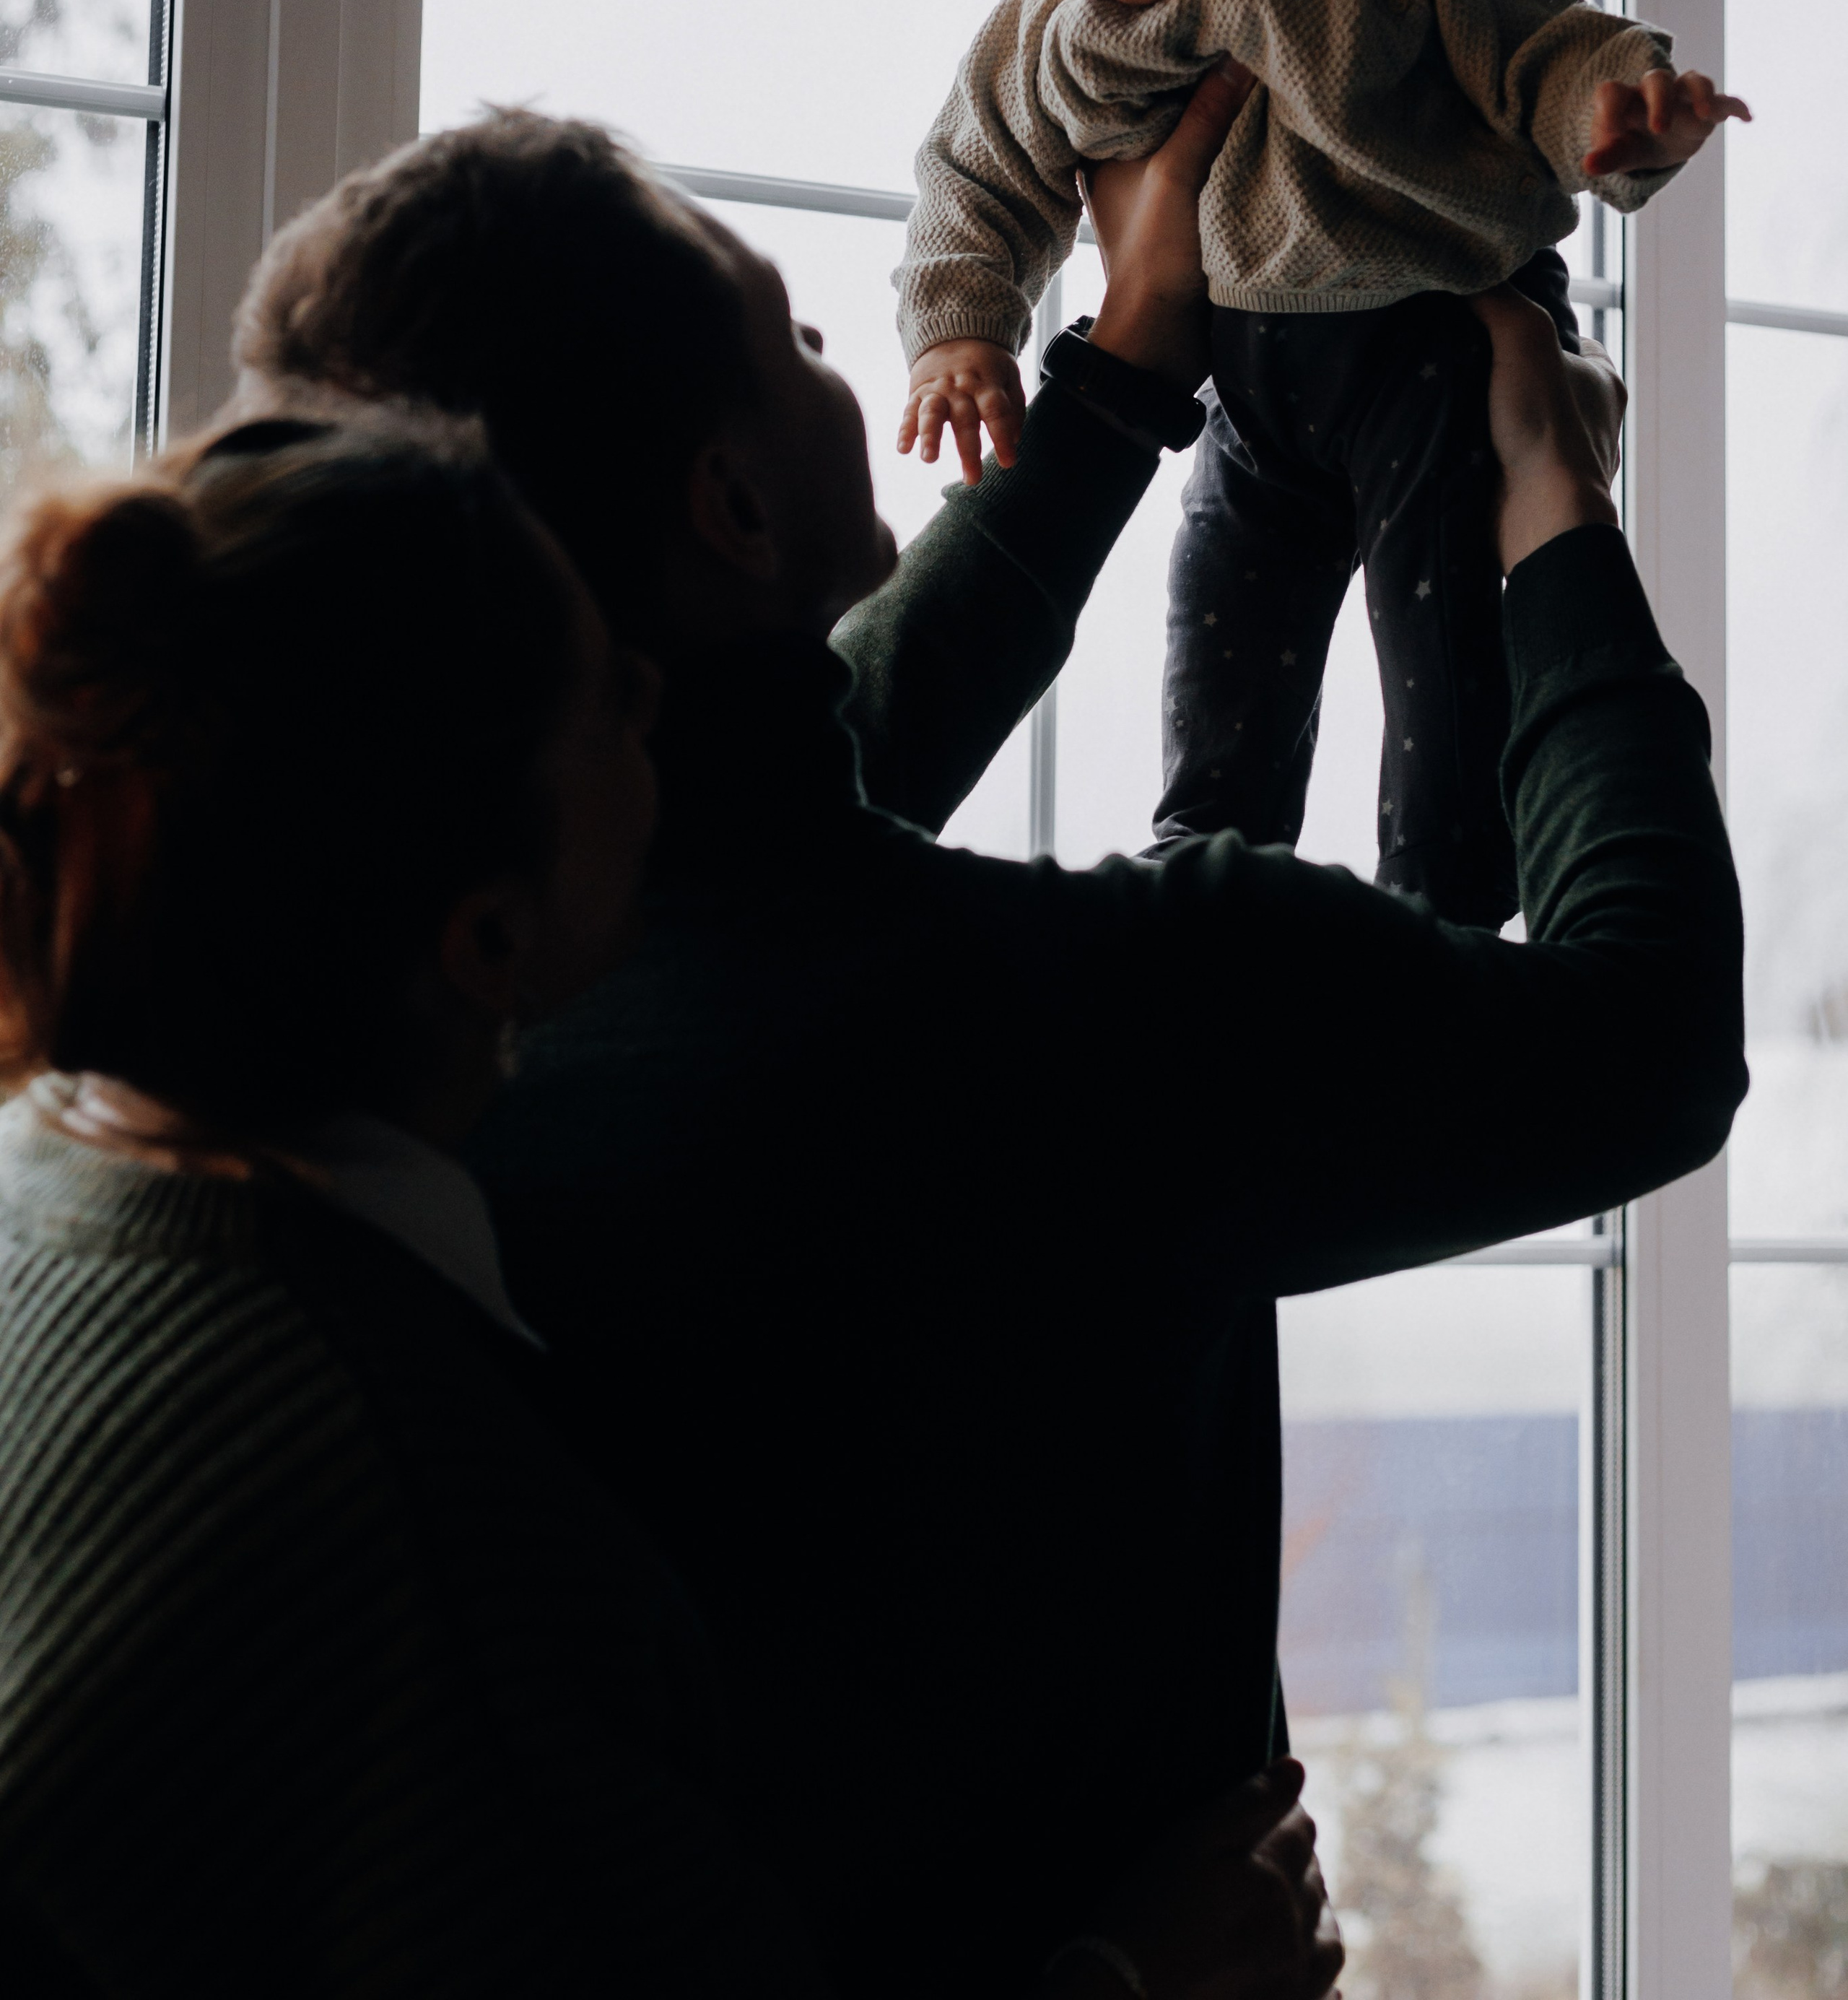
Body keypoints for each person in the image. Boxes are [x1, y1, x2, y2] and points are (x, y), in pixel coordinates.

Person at [229, 92, 1745, 2000]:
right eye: (788, 332)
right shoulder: (1115, 1019)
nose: (825, 351)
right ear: (732, 506)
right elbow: (1654, 1031)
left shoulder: (435, 1032)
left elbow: (795, 776)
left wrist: (1121, 370)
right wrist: (1555, 506)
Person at [0, 410, 1343, 2000]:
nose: (664, 698)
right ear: (491, 943)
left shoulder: (72, 1189)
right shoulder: (424, 1516)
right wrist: (1125, 1983)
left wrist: (1109, 397)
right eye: (608, 700)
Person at [896, 0, 1750, 921]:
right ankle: (1208, 880)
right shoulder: (1047, 34)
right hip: (1247, 399)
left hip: (1434, 352)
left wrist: (1616, 111)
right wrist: (961, 331)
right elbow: (973, 177)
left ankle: (1447, 907)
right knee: (1227, 642)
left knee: (1447, 654)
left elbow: (1542, 44)